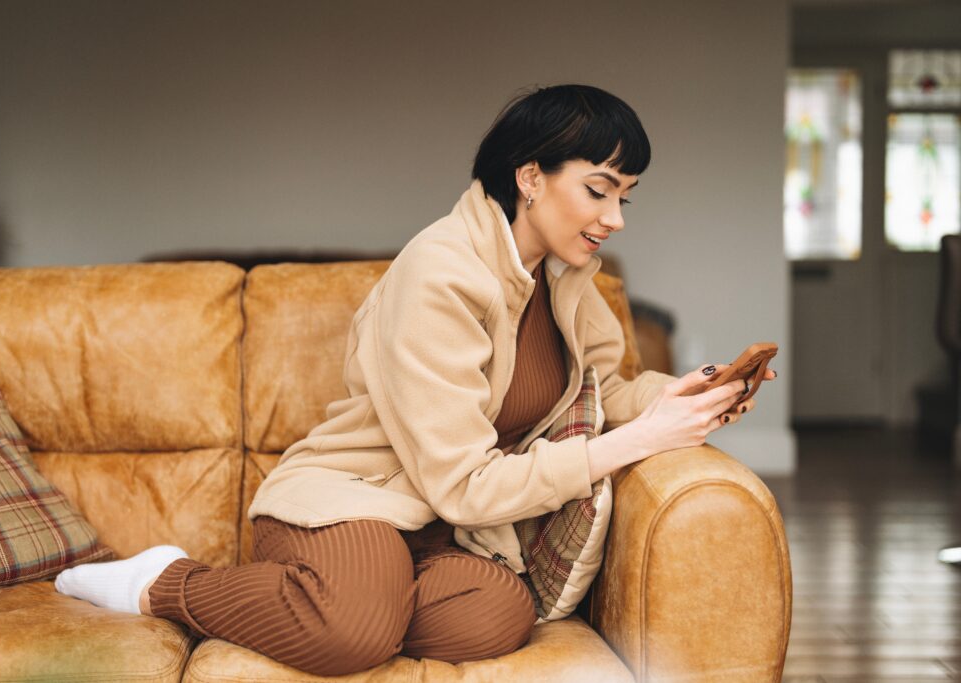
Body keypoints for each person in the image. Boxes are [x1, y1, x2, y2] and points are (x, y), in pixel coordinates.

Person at [55, 83, 776, 676]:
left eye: (626, 197)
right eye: (598, 190)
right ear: (530, 177)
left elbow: (602, 392)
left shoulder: (568, 278)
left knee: (500, 614)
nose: (615, 218)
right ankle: (163, 580)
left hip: (442, 530)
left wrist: (686, 392)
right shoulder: (441, 273)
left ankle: (342, 596)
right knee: (353, 634)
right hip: (356, 500)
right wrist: (636, 442)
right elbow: (463, 480)